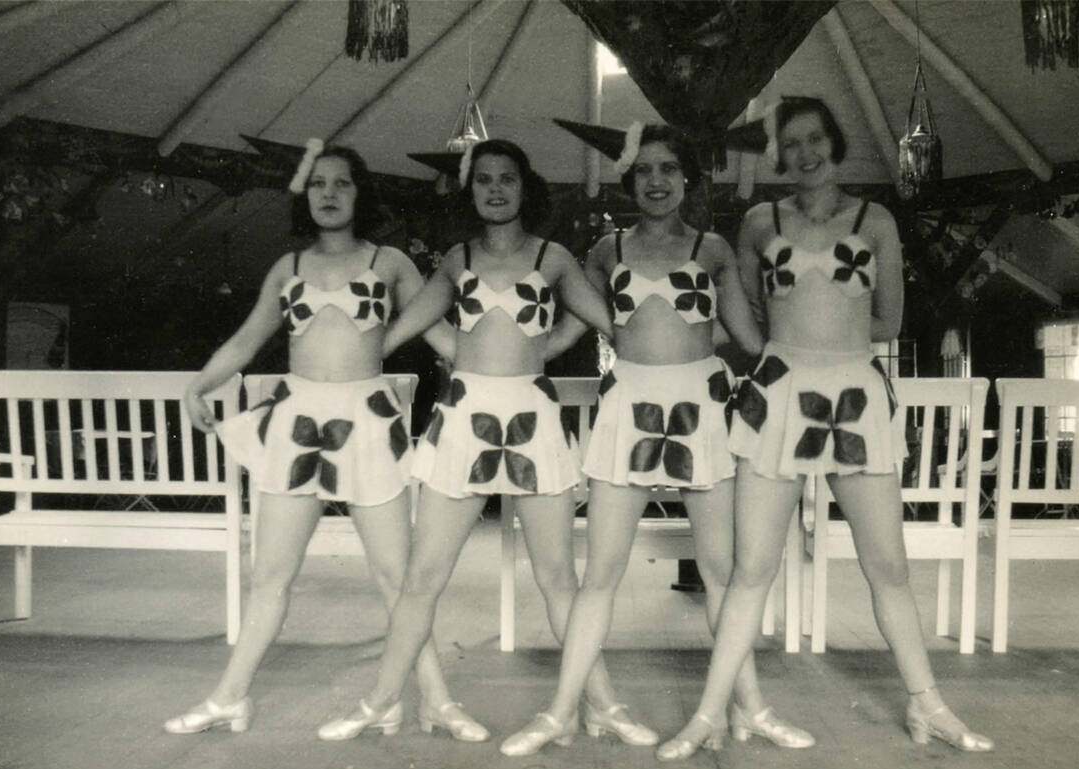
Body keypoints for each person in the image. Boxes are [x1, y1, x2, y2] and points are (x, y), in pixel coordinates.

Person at [656, 98, 993, 759]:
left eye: (816, 139)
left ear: (835, 146)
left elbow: (889, 320)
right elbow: (746, 313)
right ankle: (709, 715)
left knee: (887, 564)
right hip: (779, 396)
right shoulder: (760, 221)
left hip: (855, 397)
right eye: (793, 143)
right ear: (779, 154)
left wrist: (832, 350)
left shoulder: (875, 221)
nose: (805, 152)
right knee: (752, 568)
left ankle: (930, 705)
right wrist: (782, 355)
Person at [315, 138, 653, 745]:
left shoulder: (552, 259)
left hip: (533, 417)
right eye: (484, 180)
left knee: (558, 579)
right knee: (424, 577)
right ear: (472, 192)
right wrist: (358, 362)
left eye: (507, 179)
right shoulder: (456, 258)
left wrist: (552, 348)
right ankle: (380, 701)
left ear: (525, 188)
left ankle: (602, 705)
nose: (495, 189)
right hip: (465, 418)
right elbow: (410, 323)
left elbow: (605, 318)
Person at [500, 124, 815, 756]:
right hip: (628, 405)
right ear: (628, 180)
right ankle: (565, 710)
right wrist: (510, 364)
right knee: (602, 572)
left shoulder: (714, 248)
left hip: (702, 404)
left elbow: (748, 337)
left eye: (669, 169)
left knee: (724, 571)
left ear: (688, 180)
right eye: (644, 170)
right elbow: (573, 328)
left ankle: (750, 708)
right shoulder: (605, 250)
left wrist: (812, 343)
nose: (657, 181)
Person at [163, 141, 478, 739]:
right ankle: (230, 696)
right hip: (295, 423)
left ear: (361, 194)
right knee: (271, 575)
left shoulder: (389, 263)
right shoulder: (289, 268)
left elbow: (441, 338)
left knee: (397, 577)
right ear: (306, 196)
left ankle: (435, 700)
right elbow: (246, 340)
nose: (329, 194)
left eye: (342, 184)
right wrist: (198, 386)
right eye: (319, 184)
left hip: (368, 424)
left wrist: (495, 378)